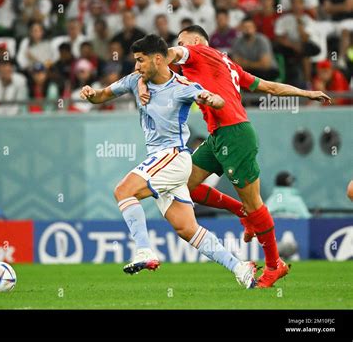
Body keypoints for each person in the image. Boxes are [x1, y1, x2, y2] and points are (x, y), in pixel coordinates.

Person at [138, 25, 331, 288]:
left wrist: (141, 77)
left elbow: (164, 55)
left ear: (196, 41)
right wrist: (305, 92)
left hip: (235, 134)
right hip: (218, 136)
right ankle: (240, 211)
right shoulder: (227, 63)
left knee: (255, 205)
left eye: (182, 41)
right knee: (183, 184)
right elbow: (269, 88)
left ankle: (275, 265)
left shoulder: (198, 52)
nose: (180, 47)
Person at [80, 34, 257, 289]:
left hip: (174, 156)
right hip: (160, 160)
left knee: (123, 191)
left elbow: (216, 100)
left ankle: (144, 250)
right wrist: (90, 94)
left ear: (159, 59)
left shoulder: (182, 87)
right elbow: (102, 96)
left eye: (141, 60)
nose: (137, 66)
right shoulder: (134, 81)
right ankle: (240, 268)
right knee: (188, 229)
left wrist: (213, 99)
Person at [231, 16, 279, 81]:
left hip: (267, 71)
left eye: (250, 27)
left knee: (259, 75)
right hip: (249, 71)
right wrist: (256, 64)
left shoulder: (262, 40)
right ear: (241, 28)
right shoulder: (237, 42)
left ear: (254, 28)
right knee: (235, 74)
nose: (247, 29)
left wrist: (245, 63)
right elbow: (236, 63)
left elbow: (265, 65)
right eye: (245, 27)